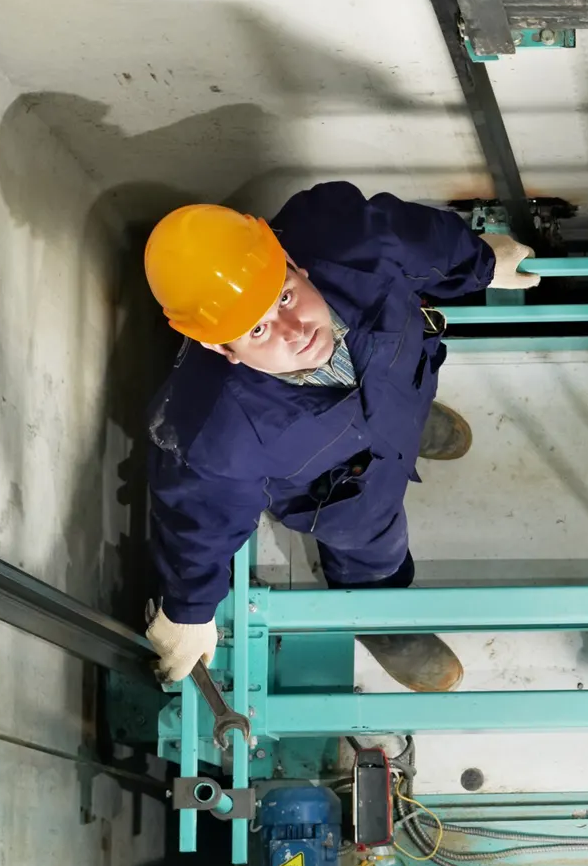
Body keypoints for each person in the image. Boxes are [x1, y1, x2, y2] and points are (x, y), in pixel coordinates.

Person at [140, 184, 538, 690]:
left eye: (284, 296)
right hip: (352, 493)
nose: (293, 330)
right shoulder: (217, 435)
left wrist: (481, 262)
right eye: (257, 330)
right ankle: (378, 612)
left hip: (401, 391)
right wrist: (190, 609)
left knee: (406, 405)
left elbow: (422, 240)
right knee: (375, 548)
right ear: (222, 350)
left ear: (292, 262)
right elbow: (200, 521)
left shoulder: (350, 239)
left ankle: (411, 430)